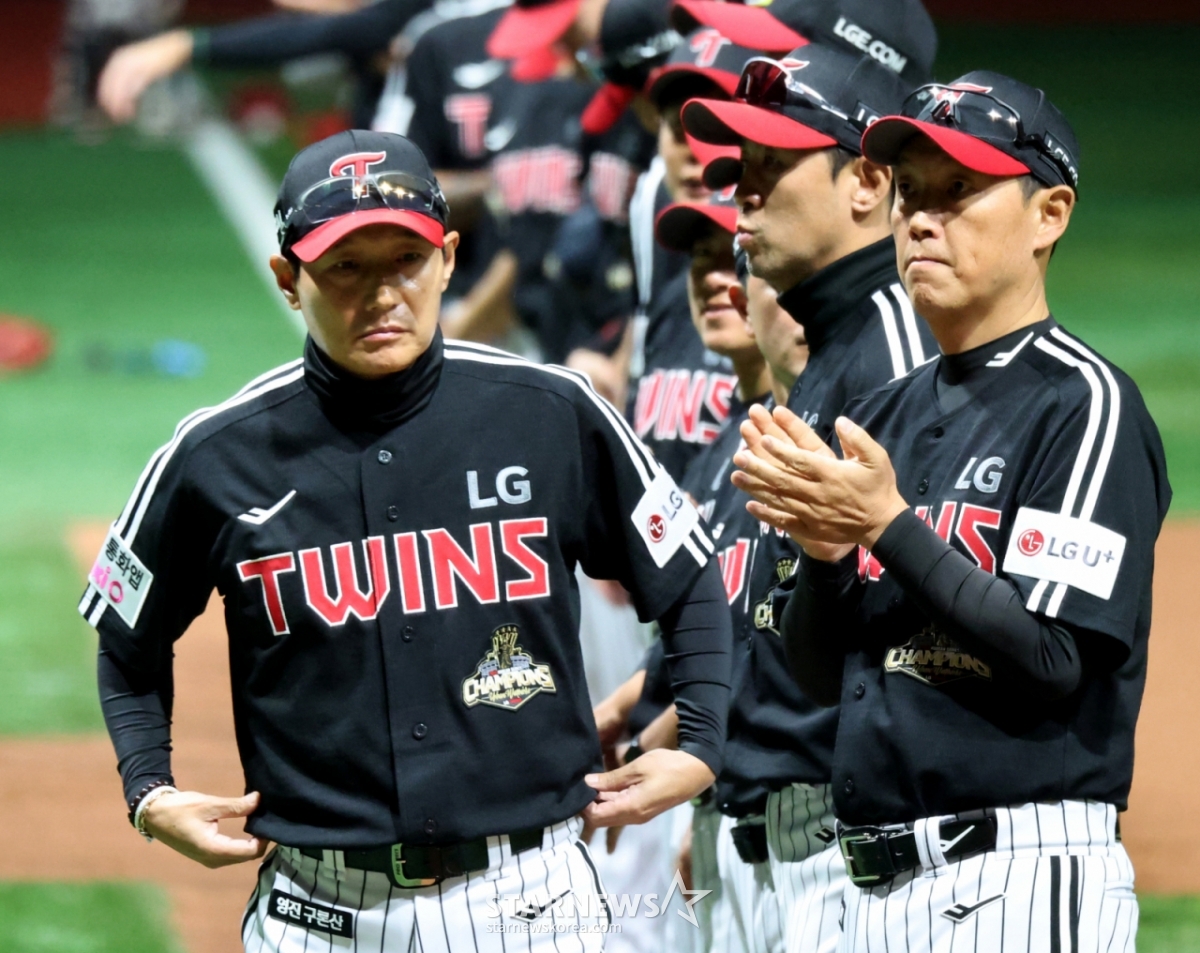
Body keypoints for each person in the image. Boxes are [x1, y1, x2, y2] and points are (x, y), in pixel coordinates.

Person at [81, 129, 732, 951]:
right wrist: (148, 787)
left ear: (450, 257)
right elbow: (125, 640)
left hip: (531, 899)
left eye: (405, 260)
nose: (382, 294)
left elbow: (689, 575)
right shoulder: (216, 453)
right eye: (345, 267)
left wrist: (704, 738)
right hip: (318, 911)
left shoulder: (550, 413)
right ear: (289, 279)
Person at [734, 73, 1167, 953]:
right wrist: (824, 553)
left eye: (960, 193)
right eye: (911, 195)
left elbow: (1052, 656)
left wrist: (887, 524)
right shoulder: (886, 413)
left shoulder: (1082, 405)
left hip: (1020, 877)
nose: (922, 219)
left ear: (1048, 214)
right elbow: (827, 681)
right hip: (875, 889)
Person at [681, 43, 937, 953]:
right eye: (741, 170)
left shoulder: (902, 356)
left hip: (861, 849)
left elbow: (922, 643)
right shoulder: (833, 354)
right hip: (780, 840)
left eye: (773, 168)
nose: (743, 195)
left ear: (866, 184)